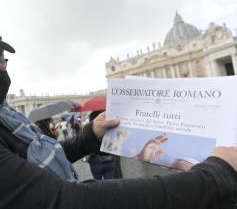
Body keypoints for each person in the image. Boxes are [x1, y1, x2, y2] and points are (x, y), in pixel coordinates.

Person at [0, 37, 237, 208]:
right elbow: (64, 200)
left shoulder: (7, 116)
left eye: (4, 61)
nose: (3, 69)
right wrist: (214, 178)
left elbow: (35, 164)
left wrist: (90, 136)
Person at [87, 110, 122, 180]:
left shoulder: (89, 134)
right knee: (110, 184)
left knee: (98, 185)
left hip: (96, 163)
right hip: (110, 161)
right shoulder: (111, 131)